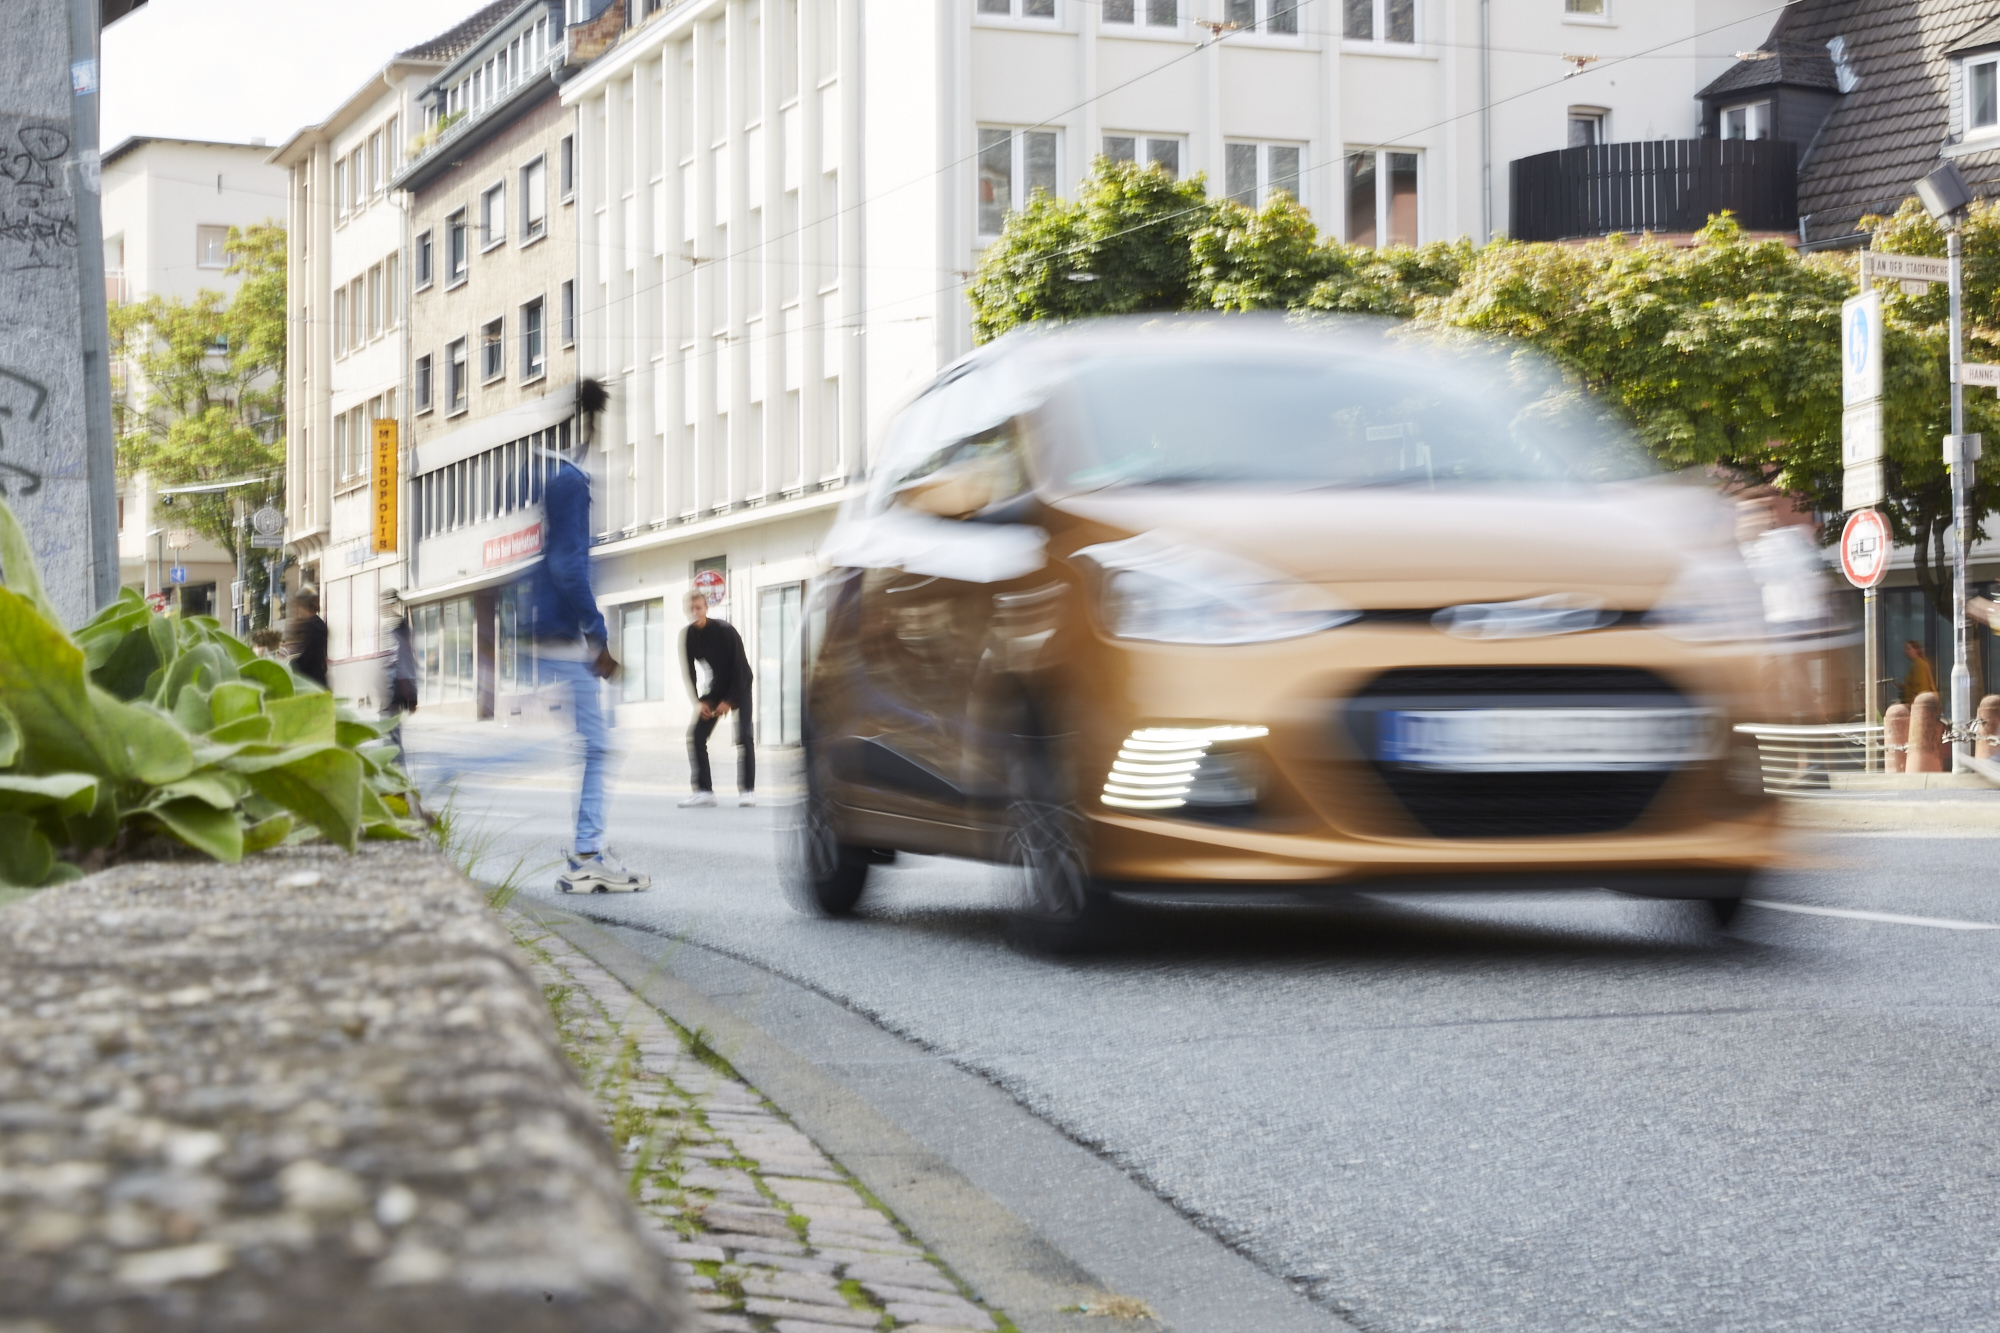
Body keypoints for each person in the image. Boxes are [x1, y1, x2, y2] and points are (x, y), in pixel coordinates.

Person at [531, 380, 651, 893]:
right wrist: (597, 638)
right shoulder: (573, 482)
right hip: (565, 638)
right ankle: (586, 854)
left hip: (555, 633)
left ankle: (587, 849)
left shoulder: (564, 478)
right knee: (595, 747)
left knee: (592, 744)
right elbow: (568, 565)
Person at [680, 589, 755, 807]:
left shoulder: (725, 631)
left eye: (699, 608)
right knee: (696, 736)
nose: (695, 612)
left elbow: (740, 669)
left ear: (706, 608)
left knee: (744, 736)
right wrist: (699, 702)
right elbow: (690, 672)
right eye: (691, 609)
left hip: (741, 684)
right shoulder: (688, 635)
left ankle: (748, 791)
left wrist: (729, 701)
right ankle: (704, 792)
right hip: (717, 686)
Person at [380, 590, 418, 749]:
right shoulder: (394, 626)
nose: (382, 607)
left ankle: (395, 760)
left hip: (396, 688)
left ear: (391, 605)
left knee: (391, 733)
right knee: (390, 732)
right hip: (392, 688)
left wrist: (411, 695)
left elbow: (405, 661)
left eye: (384, 603)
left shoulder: (398, 627)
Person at [287, 589, 329, 689]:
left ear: (303, 606)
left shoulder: (313, 626)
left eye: (298, 606)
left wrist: (292, 667)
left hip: (311, 681)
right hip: (315, 679)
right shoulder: (315, 624)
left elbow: (308, 655)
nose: (297, 610)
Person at [1903, 639, 1938, 705]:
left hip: (1919, 702)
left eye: (1909, 649)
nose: (1906, 651)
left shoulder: (1918, 663)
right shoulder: (1917, 663)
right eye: (1905, 649)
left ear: (1917, 650)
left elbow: (1920, 686)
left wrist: (1916, 704)